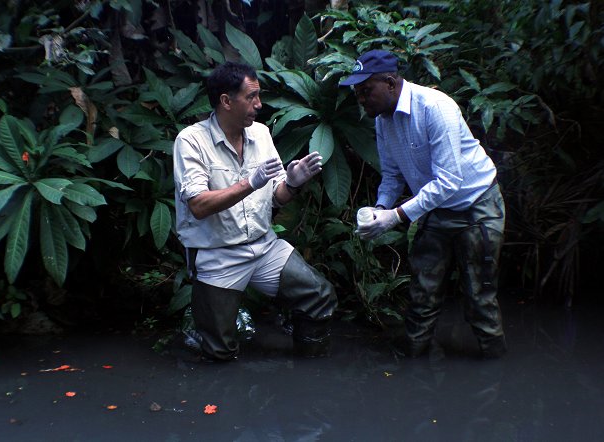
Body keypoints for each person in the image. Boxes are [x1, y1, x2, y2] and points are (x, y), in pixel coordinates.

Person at [340, 50, 507, 359]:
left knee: (479, 297)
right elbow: (391, 175)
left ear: (390, 83)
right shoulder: (382, 119)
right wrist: (379, 209)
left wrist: (396, 217)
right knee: (422, 294)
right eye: (357, 93)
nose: (361, 99)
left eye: (366, 91)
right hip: (435, 209)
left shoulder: (435, 107)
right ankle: (414, 369)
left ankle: (494, 374)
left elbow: (448, 181)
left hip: (476, 206)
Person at [173, 62, 337, 361]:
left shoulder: (260, 134)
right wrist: (249, 183)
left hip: (263, 247)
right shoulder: (191, 140)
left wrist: (294, 183)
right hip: (217, 255)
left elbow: (275, 198)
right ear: (226, 101)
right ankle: (204, 333)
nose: (259, 105)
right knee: (219, 351)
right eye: (252, 97)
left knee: (318, 295)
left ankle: (310, 373)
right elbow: (197, 206)